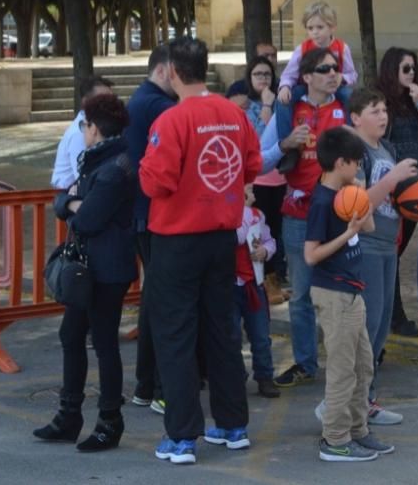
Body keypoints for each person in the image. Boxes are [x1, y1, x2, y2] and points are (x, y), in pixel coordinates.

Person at [140, 37, 262, 465]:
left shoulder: (172, 120)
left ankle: (181, 437)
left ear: (172, 71)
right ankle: (232, 425)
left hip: (176, 239)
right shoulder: (233, 113)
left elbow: (156, 182)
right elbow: (252, 166)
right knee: (221, 330)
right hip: (220, 238)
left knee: (175, 335)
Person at [36, 94, 137, 452]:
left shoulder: (114, 167)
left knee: (105, 343)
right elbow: (67, 201)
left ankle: (110, 421)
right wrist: (72, 202)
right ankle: (69, 416)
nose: (84, 131)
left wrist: (73, 204)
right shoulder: (102, 160)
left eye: (85, 126)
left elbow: (87, 218)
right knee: (71, 334)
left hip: (107, 268)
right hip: (89, 266)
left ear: (93, 129)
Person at [304, 127, 394, 462]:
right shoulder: (322, 202)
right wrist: (348, 233)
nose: (359, 167)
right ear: (340, 162)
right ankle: (334, 439)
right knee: (342, 370)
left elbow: (368, 228)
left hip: (352, 292)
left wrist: (361, 198)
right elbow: (311, 255)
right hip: (333, 293)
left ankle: (358, 430)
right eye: (355, 162)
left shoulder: (345, 192)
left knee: (363, 365)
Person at [260, 47, 347, 388]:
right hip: (298, 213)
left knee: (342, 293)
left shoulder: (345, 110)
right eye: (324, 69)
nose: (332, 73)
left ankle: (344, 362)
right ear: (307, 77)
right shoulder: (289, 111)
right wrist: (285, 144)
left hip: (339, 213)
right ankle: (306, 363)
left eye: (336, 68)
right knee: (301, 295)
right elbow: (262, 163)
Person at [335, 88, 418, 426]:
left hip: (388, 245)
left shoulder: (387, 148)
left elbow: (396, 200)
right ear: (355, 118)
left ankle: (366, 399)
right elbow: (353, 204)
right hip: (363, 246)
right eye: (374, 110)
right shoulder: (352, 152)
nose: (383, 115)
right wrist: (393, 178)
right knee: (365, 328)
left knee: (381, 326)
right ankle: (342, 404)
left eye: (385, 109)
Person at [374, 47, 418, 335]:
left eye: (414, 68)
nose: (411, 74)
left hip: (416, 187)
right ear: (392, 71)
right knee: (391, 252)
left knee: (395, 253)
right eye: (405, 69)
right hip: (393, 188)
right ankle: (394, 317)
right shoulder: (382, 105)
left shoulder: (415, 103)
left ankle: (392, 315)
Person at [125, 47, 176, 413]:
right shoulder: (156, 105)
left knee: (154, 299)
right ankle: (158, 386)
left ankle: (147, 384)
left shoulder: (144, 100)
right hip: (153, 216)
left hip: (146, 215)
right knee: (163, 303)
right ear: (163, 71)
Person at [238, 55, 288, 303]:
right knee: (260, 229)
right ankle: (264, 282)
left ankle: (275, 278)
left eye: (267, 74)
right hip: (258, 180)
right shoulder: (246, 107)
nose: (263, 79)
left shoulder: (281, 103)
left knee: (276, 232)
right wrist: (266, 107)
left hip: (279, 178)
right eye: (258, 74)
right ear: (250, 77)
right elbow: (257, 142)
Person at [234, 184, 279, 398]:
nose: (254, 194)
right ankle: (235, 375)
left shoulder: (257, 215)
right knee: (232, 336)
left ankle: (264, 375)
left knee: (261, 336)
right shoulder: (235, 218)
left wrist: (265, 251)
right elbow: (240, 236)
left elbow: (271, 241)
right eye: (249, 190)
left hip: (254, 283)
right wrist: (242, 209)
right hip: (232, 286)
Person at [277, 0, 357, 106]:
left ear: (332, 27)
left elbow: (352, 74)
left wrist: (342, 78)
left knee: (350, 96)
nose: (315, 32)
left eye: (320, 27)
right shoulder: (302, 49)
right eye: (310, 28)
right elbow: (289, 74)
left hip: (334, 87)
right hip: (307, 87)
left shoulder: (342, 48)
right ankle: (284, 123)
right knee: (283, 99)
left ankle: (350, 122)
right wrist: (285, 87)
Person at [51, 76, 114, 189]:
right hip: (69, 198)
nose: (110, 104)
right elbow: (84, 180)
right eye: (103, 99)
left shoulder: (98, 126)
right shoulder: (80, 133)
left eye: (111, 99)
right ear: (86, 102)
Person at [226, 42, 279, 106]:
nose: (270, 59)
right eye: (266, 55)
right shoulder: (237, 88)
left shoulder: (281, 86)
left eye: (273, 56)